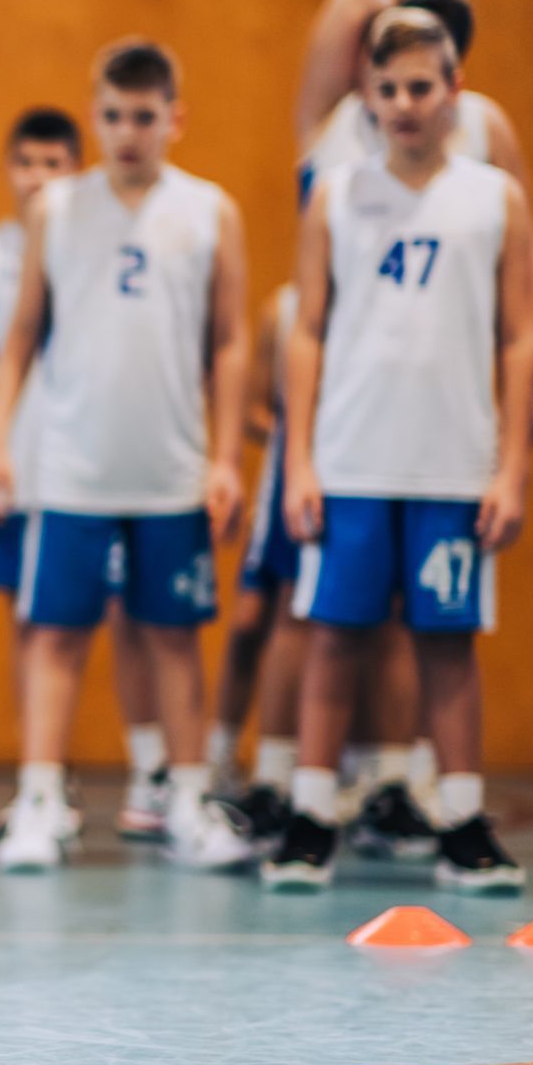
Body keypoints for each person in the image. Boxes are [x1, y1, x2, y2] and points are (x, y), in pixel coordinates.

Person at [264, 9, 533, 893]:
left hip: (453, 464)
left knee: (447, 643)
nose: (404, 104)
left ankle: (461, 819)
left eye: (421, 86)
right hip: (350, 459)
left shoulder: (494, 198)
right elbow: (305, 331)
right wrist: (299, 461)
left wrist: (510, 467)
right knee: (335, 636)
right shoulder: (338, 195)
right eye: (386, 89)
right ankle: (311, 815)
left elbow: (522, 336)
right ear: (366, 97)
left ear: (454, 89)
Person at [0, 40, 250, 872]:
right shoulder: (58, 209)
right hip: (72, 465)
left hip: (170, 466)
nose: (127, 132)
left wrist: (228, 456)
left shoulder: (211, 212)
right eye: (112, 115)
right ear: (94, 115)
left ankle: (190, 804)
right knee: (56, 635)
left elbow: (233, 342)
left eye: (144, 115)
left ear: (175, 118)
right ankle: (38, 802)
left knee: (174, 637)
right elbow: (21, 333)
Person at [0, 107, 173, 858]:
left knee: (135, 614)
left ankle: (154, 772)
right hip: (19, 462)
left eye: (55, 163)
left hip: (93, 457)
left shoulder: (101, 235)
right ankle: (43, 782)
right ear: (7, 168)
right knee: (34, 622)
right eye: (27, 163)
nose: (39, 178)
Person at [205, 282, 307, 850]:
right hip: (287, 479)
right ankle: (221, 753)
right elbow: (252, 409)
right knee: (251, 621)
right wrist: (300, 435)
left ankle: (369, 770)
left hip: (353, 475)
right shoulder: (283, 307)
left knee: (344, 625)